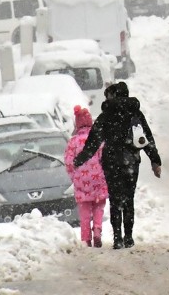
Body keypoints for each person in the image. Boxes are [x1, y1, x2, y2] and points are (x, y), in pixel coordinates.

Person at [72, 81, 161, 249]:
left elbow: (93, 142)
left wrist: (80, 159)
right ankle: (128, 237)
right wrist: (155, 160)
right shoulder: (135, 114)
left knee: (115, 200)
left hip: (111, 161)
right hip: (131, 161)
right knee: (128, 199)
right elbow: (146, 137)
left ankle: (117, 238)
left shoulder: (106, 115)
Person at [64, 105, 109, 247]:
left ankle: (86, 237)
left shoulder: (73, 142)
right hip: (97, 178)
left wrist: (74, 177)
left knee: (84, 209)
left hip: (81, 180)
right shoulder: (97, 139)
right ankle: (97, 228)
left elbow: (69, 162)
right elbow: (104, 158)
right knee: (98, 205)